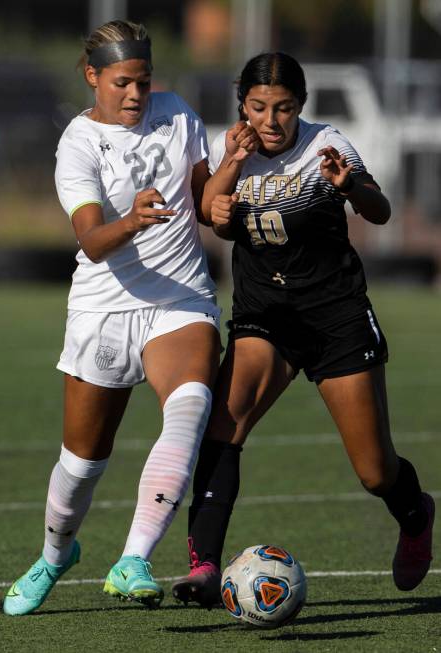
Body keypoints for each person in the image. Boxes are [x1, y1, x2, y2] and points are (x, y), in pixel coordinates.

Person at [172, 52, 435, 608]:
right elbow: (210, 211)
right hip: (265, 316)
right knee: (223, 425)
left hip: (334, 316)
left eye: (284, 108)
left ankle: (416, 513)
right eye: (259, 107)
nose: (271, 120)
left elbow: (381, 211)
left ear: (301, 107)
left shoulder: (325, 146)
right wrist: (227, 177)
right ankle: (203, 566)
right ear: (243, 104)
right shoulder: (233, 149)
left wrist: (351, 187)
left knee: (374, 470)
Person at [3, 19, 221, 616]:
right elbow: (93, 241)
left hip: (180, 299)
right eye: (123, 82)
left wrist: (227, 188)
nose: (135, 95)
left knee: (191, 404)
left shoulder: (178, 115)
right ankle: (55, 556)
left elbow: (204, 202)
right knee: (81, 464)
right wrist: (134, 217)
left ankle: (134, 558)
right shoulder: (76, 143)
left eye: (144, 83)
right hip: (103, 306)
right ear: (92, 76)